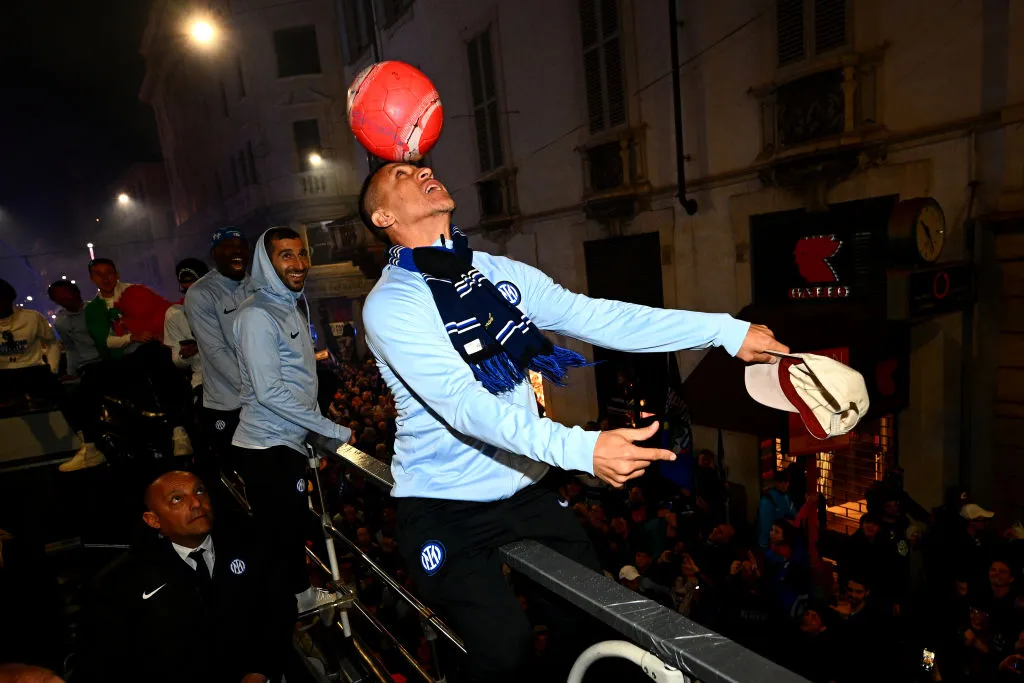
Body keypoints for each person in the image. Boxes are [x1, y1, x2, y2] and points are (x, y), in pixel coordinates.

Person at [358, 163, 789, 680]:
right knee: (505, 650)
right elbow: (463, 405)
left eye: (423, 164)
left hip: (524, 488)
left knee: (592, 622)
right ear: (383, 215)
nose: (423, 169)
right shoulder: (392, 303)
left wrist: (724, 331)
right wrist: (583, 449)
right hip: (442, 505)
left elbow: (600, 317)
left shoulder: (498, 275)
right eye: (403, 173)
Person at [74, 469, 294, 683]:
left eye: (199, 491)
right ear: (153, 520)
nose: (197, 503)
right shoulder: (121, 581)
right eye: (177, 499)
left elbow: (280, 608)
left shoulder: (250, 544)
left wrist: (260, 671)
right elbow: (109, 660)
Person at [232, 227, 353, 613]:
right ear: (266, 262)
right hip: (267, 445)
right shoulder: (256, 315)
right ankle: (293, 602)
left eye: (302, 254)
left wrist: (310, 434)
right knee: (282, 532)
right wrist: (330, 430)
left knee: (288, 529)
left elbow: (301, 382)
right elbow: (269, 391)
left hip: (286, 441)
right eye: (286, 255)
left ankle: (293, 597)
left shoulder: (290, 305)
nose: (299, 263)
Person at [83, 258, 193, 457]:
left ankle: (179, 430)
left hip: (151, 350)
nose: (105, 278)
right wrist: (132, 336)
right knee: (89, 379)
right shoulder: (93, 309)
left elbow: (164, 312)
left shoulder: (136, 292)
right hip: (123, 358)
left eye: (109, 272)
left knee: (159, 359)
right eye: (98, 274)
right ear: (92, 278)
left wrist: (160, 333)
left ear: (117, 274)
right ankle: (93, 447)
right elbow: (105, 341)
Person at [184, 228, 255, 465]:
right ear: (214, 254)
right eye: (228, 246)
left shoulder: (258, 286)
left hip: (267, 398)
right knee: (239, 469)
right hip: (229, 402)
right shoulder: (200, 293)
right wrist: (256, 390)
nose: (237, 251)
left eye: (242, 246)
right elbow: (215, 350)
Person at [48, 280, 107, 471]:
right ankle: (88, 442)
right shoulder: (61, 322)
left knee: (86, 390)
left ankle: (92, 446)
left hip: (105, 361)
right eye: (58, 296)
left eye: (65, 293)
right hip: (86, 366)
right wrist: (70, 372)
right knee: (64, 392)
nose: (63, 298)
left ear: (76, 292)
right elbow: (71, 348)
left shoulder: (95, 309)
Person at [0, 278, 61, 411]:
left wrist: (53, 369)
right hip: (3, 375)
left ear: (10, 298)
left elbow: (51, 343)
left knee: (59, 406)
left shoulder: (32, 317)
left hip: (33, 370)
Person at [164, 258, 209, 405]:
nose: (191, 290)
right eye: (186, 285)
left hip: (240, 377)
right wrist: (185, 354)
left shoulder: (226, 305)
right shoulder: (174, 314)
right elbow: (177, 361)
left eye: (195, 283)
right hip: (203, 380)